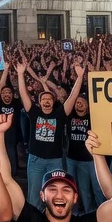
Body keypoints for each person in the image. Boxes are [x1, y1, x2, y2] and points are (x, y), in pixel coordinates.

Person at [16, 61, 86, 207]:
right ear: (40, 103)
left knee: (54, 196)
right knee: (35, 198)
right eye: (44, 99)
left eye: (49, 99)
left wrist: (79, 77)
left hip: (55, 161)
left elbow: (72, 97)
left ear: (53, 102)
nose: (47, 101)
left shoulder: (60, 114)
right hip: (35, 161)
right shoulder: (34, 113)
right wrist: (20, 74)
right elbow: (23, 94)